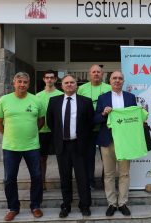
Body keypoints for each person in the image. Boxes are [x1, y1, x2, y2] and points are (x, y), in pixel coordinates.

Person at [0, 72, 44, 221]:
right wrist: (9, 135)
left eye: (25, 82)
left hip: (32, 146)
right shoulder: (4, 100)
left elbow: (41, 120)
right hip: (11, 147)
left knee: (36, 176)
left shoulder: (36, 100)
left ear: (29, 84)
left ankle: (35, 206)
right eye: (19, 81)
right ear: (14, 83)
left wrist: (32, 133)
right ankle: (13, 208)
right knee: (9, 178)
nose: (22, 84)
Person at [46, 74, 93, 218]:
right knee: (64, 177)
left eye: (72, 82)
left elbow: (90, 122)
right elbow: (50, 122)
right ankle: (66, 205)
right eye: (66, 82)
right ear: (61, 85)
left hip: (79, 146)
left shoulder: (86, 101)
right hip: (62, 146)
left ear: (76, 85)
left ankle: (85, 205)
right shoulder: (54, 101)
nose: (69, 85)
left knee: (82, 177)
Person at [94, 71, 137, 217]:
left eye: (120, 78)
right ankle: (112, 203)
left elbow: (134, 120)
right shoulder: (102, 98)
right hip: (108, 141)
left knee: (124, 173)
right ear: (110, 81)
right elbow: (95, 119)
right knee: (109, 174)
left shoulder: (131, 98)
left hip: (125, 142)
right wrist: (103, 114)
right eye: (114, 78)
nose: (117, 80)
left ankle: (123, 202)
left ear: (123, 81)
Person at [77, 64, 112, 190]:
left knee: (106, 157)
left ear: (102, 74)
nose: (96, 74)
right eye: (93, 72)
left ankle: (105, 181)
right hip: (88, 128)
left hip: (105, 127)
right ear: (89, 74)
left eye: (98, 72)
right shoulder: (81, 89)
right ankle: (90, 181)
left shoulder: (109, 88)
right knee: (89, 157)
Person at [36, 70, 63, 190]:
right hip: (42, 131)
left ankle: (64, 182)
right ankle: (41, 183)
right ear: (44, 79)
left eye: (52, 78)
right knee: (42, 158)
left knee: (61, 157)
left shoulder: (60, 95)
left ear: (55, 79)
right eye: (47, 78)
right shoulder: (37, 96)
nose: (49, 80)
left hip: (57, 131)